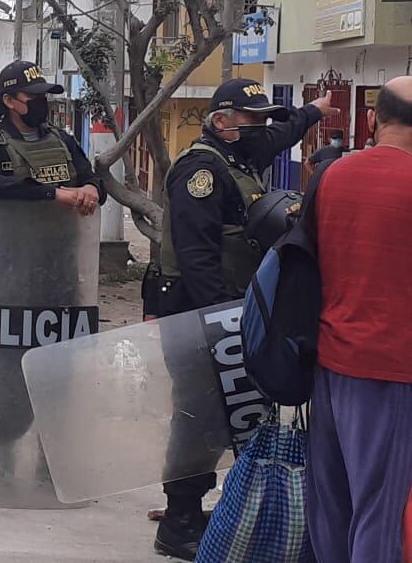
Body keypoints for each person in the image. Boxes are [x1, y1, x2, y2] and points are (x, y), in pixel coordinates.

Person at [153, 78, 337, 560]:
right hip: (200, 313)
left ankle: (229, 508)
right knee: (198, 416)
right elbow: (196, 257)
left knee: (238, 414)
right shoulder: (201, 170)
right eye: (252, 119)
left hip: (235, 310)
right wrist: (223, 321)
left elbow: (280, 134)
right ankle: (180, 520)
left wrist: (312, 112)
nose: (261, 128)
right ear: (222, 123)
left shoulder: (238, 158)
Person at [307, 76, 412, 563]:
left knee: (332, 505)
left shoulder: (331, 177)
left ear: (373, 119)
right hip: (391, 368)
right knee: (380, 510)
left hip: (329, 363)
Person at [0, 60, 104, 215]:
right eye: (32, 95)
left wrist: (91, 188)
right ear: (9, 101)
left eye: (42, 95)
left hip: (64, 236)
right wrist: (52, 194)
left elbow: (90, 178)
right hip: (12, 237)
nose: (40, 101)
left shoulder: (62, 140)